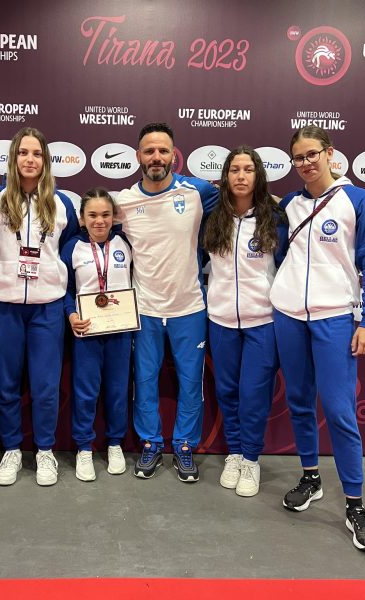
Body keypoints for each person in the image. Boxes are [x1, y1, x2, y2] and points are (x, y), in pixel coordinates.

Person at [270, 126, 365, 552]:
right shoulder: (289, 205)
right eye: (298, 157)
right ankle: (311, 477)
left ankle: (355, 505)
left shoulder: (358, 200)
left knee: (339, 411)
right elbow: (282, 256)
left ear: (329, 153)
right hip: (288, 316)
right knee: (299, 401)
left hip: (334, 318)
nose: (305, 163)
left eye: (312, 154)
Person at [115, 122, 218, 482]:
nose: (156, 157)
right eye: (149, 151)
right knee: (144, 381)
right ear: (138, 156)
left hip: (189, 307)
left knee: (191, 383)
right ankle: (150, 444)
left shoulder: (197, 191)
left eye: (163, 151)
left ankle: (185, 446)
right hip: (144, 308)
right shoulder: (123, 202)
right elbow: (91, 226)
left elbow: (242, 198)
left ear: (174, 155)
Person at [0, 127, 79, 487]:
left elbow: (70, 251)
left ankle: (44, 451)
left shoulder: (61, 202)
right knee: (6, 385)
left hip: (47, 308)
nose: (30, 159)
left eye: (37, 153)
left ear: (45, 160)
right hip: (4, 306)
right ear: (13, 157)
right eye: (23, 152)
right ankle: (11, 449)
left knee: (45, 386)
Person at [203, 146, 287, 497]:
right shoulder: (212, 216)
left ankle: (251, 459)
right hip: (221, 319)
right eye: (234, 169)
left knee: (253, 394)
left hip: (262, 321)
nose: (240, 176)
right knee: (227, 392)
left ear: (258, 176)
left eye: (248, 170)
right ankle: (235, 454)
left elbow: (288, 266)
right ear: (225, 176)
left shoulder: (275, 217)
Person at [61, 188, 132, 481]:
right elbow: (64, 289)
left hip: (120, 331)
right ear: (82, 218)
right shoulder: (72, 248)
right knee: (86, 391)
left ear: (114, 217)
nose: (99, 221)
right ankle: (84, 448)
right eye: (92, 215)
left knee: (117, 390)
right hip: (87, 330)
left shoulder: (126, 243)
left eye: (105, 215)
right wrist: (71, 315)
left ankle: (114, 443)